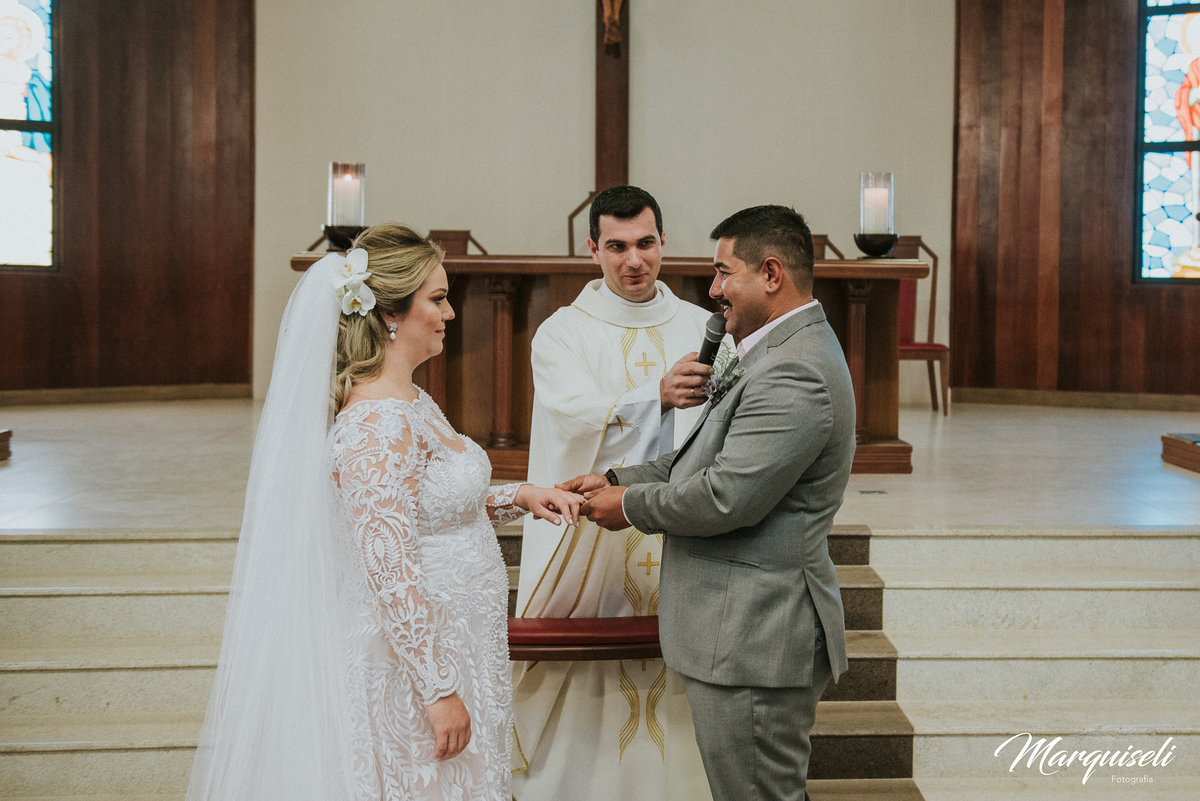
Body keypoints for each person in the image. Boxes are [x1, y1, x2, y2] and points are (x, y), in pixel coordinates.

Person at [185, 224, 583, 801]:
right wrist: (437, 688)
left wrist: (517, 495)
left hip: (462, 644)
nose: (449, 314)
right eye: (438, 299)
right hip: (413, 667)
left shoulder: (413, 403)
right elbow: (389, 568)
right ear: (390, 314)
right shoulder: (375, 427)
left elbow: (428, 507)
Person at [573, 205, 856, 801]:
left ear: (771, 273)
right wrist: (615, 477)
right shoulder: (775, 349)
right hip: (741, 627)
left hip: (757, 630)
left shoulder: (795, 370)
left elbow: (726, 498)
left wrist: (627, 506)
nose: (714, 289)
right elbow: (700, 460)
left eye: (725, 273)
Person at [511, 186, 718, 801]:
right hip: (592, 537)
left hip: (678, 528)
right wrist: (655, 395)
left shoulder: (699, 325)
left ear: (663, 243)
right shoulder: (561, 333)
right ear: (592, 249)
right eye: (618, 246)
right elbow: (570, 418)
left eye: (647, 243)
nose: (635, 260)